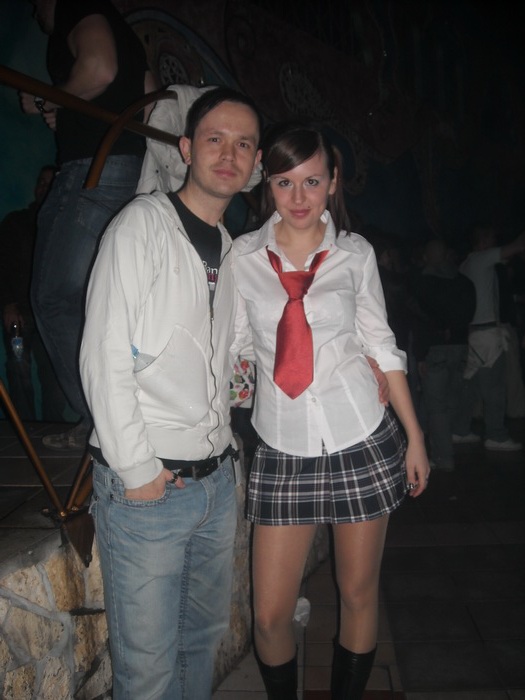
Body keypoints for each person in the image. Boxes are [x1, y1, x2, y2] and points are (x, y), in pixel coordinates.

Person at [231, 123, 430, 700]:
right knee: (269, 615)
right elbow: (236, 347)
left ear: (333, 181)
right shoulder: (243, 257)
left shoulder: (354, 254)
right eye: (284, 182)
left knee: (358, 593)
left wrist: (415, 437)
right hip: (283, 444)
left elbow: (381, 344)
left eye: (312, 181)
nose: (298, 197)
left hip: (359, 435)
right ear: (267, 184)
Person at [79, 87, 263, 700]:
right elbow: (103, 353)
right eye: (215, 139)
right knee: (149, 673)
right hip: (151, 487)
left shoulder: (232, 250)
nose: (229, 154)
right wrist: (137, 470)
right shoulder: (142, 225)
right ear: (186, 148)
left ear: (255, 161)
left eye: (243, 144)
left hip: (215, 483)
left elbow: (231, 360)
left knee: (199, 648)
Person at [19, 0, 157, 449]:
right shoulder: (123, 30)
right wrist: (69, 105)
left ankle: (104, 423)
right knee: (102, 304)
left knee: (56, 298)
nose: (35, 13)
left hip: (92, 169)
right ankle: (120, 419)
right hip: (128, 169)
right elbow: (151, 98)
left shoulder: (76, 5)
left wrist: (49, 96)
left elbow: (98, 68)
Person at [0, 165, 66, 421]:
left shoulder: (63, 224)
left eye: (50, 183)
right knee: (19, 371)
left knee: (55, 378)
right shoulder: (15, 222)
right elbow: (2, 266)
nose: (43, 188)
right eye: (41, 182)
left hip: (51, 316)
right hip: (20, 313)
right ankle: (24, 430)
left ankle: (52, 429)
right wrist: (7, 304)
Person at [453, 225, 525, 451]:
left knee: (471, 387)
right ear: (483, 241)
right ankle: (496, 435)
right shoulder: (481, 258)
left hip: (473, 334)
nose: (496, 244)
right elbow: (516, 247)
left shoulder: (466, 264)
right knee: (495, 388)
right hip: (486, 335)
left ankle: (460, 430)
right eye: (493, 239)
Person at [411, 239, 476, 471]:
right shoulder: (464, 282)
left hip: (434, 349)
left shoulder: (424, 283)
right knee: (450, 401)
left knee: (437, 406)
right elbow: (469, 314)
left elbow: (420, 319)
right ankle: (445, 446)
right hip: (459, 346)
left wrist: (420, 354)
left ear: (428, 256)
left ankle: (443, 457)